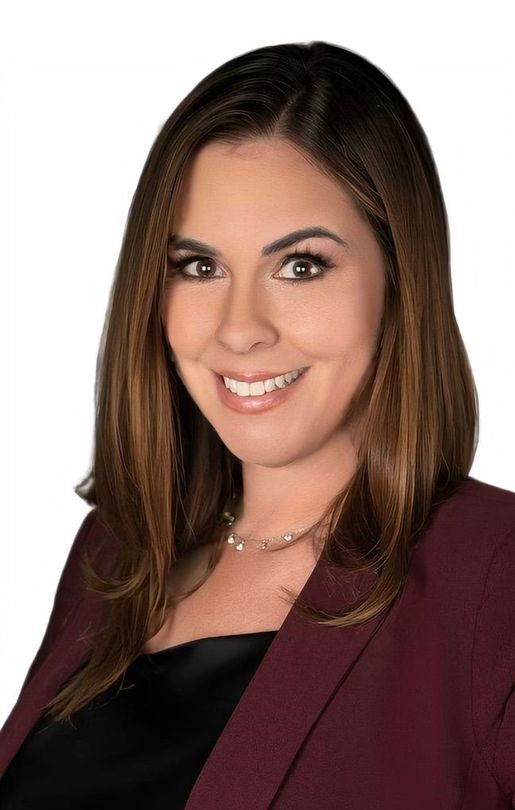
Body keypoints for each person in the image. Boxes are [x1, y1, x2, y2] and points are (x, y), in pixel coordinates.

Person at [0, 40, 514, 809]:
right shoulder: (117, 553)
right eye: (198, 267)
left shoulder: (492, 574)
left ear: (400, 275)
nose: (240, 330)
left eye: (300, 266)